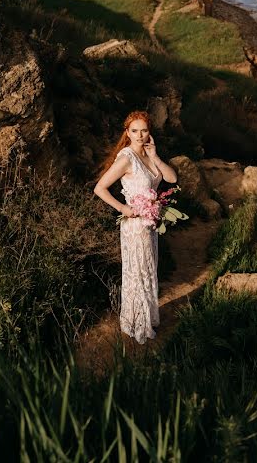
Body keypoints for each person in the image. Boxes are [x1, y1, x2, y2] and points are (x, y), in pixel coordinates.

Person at [93, 111, 177, 344]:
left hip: (149, 224)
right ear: (127, 133)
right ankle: (136, 322)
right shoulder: (126, 158)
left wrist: (155, 155)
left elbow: (171, 179)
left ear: (150, 132)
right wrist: (123, 208)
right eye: (135, 131)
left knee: (149, 268)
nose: (140, 135)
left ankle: (147, 317)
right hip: (134, 224)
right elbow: (99, 188)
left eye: (144, 130)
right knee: (137, 272)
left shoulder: (149, 156)